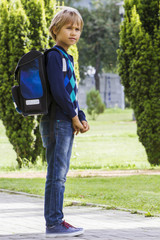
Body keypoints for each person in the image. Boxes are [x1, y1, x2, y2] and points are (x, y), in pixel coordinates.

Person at [39, 7, 89, 238]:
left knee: (60, 174)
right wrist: (73, 116)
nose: (74, 33)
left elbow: (70, 93)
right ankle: (54, 224)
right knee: (56, 175)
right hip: (57, 122)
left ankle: (56, 221)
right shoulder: (54, 56)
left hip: (65, 121)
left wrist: (81, 116)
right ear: (55, 30)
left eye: (77, 29)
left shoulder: (66, 58)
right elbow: (58, 92)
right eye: (69, 28)